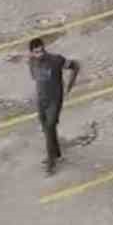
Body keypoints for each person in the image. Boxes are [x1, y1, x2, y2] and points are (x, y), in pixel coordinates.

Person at [28, 37, 80, 175]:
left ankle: (51, 162)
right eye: (36, 52)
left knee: (50, 127)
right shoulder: (31, 62)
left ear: (44, 48)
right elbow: (36, 79)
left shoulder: (55, 60)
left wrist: (70, 85)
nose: (40, 54)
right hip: (41, 100)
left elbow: (75, 65)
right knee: (46, 129)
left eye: (41, 51)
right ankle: (56, 154)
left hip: (54, 100)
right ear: (32, 53)